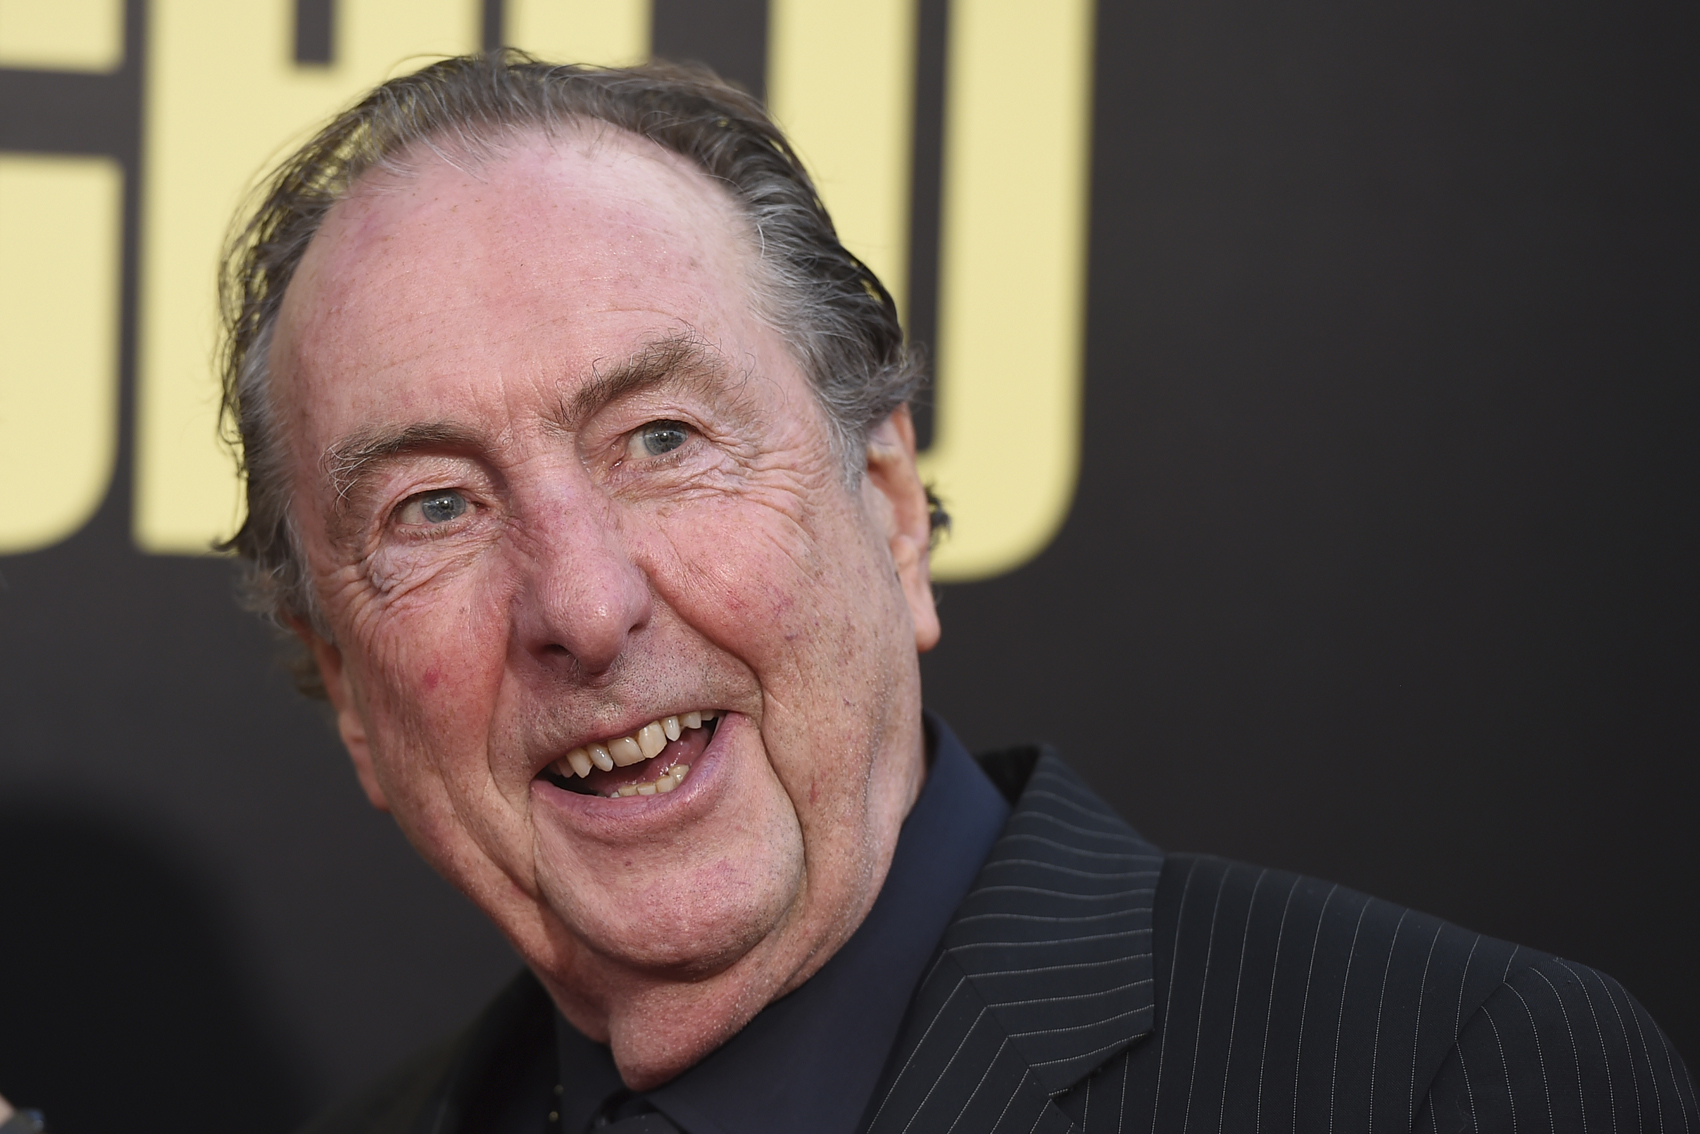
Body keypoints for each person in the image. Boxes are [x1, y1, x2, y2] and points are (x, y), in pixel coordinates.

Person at [215, 52, 1694, 1134]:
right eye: (434, 507)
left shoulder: (1444, 1076)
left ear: (888, 505)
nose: (586, 607)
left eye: (661, 439)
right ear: (346, 691)